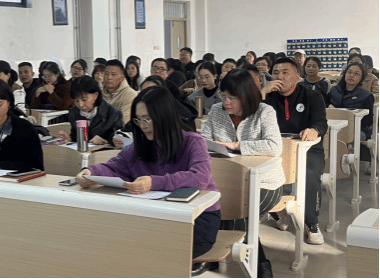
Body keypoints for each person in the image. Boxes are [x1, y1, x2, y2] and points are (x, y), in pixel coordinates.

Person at [76, 86, 220, 277]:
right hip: (156, 215)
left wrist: (153, 182)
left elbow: (200, 178)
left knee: (151, 251)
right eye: (139, 119)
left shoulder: (193, 142)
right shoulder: (138, 147)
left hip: (197, 218)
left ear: (165, 116)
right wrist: (88, 172)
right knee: (121, 243)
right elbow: (114, 167)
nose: (143, 125)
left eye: (148, 119)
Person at [202, 70, 285, 278]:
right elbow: (204, 141)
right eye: (223, 96)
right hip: (227, 180)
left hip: (265, 182)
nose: (226, 102)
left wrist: (237, 145)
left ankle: (252, 262)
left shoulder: (264, 111)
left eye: (232, 97)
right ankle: (254, 263)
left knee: (236, 208)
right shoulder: (216, 110)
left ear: (246, 96)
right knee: (216, 203)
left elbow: (275, 146)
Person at [262, 58, 328, 245]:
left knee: (310, 174)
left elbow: (321, 122)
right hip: (275, 149)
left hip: (307, 149)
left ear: (298, 77)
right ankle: (277, 212)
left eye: (285, 72)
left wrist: (314, 129)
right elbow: (248, 117)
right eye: (276, 73)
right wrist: (261, 93)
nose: (280, 77)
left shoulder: (312, 96)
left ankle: (311, 223)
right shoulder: (267, 98)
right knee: (258, 171)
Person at [327, 62, 375, 173]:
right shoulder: (334, 91)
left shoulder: (366, 95)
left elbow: (368, 120)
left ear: (361, 77)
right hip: (333, 127)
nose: (352, 75)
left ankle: (343, 164)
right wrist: (329, 107)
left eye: (356, 74)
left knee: (343, 135)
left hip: (357, 129)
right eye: (349, 72)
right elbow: (324, 107)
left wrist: (350, 121)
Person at [58, 76, 123, 147]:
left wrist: (106, 141)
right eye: (76, 101)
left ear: (95, 95)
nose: (80, 105)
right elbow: (75, 136)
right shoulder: (73, 112)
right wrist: (69, 139)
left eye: (84, 99)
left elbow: (120, 138)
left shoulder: (113, 113)